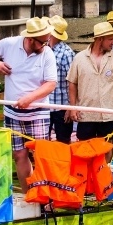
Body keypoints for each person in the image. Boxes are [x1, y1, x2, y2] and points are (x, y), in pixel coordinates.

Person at [0, 17, 58, 193]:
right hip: (12, 112)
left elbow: (50, 84)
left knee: (40, 155)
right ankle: (29, 194)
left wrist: (30, 99)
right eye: (42, 42)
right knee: (19, 155)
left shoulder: (47, 53)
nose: (46, 45)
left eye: (47, 40)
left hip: (37, 111)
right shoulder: (10, 44)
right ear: (31, 39)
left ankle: (44, 196)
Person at [46, 16, 75, 144]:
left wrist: (70, 107)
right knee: (42, 140)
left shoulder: (66, 53)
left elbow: (72, 81)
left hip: (61, 105)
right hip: (45, 103)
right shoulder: (44, 49)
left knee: (63, 141)